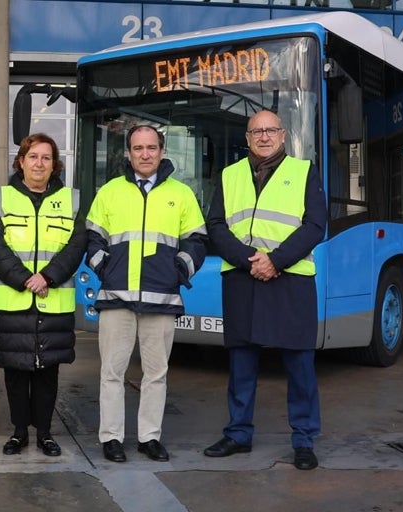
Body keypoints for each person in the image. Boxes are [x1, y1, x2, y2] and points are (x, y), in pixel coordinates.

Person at [202, 110, 327, 470]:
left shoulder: (305, 172)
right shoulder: (229, 175)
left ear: (283, 135)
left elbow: (314, 225)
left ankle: (304, 440)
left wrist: (276, 260)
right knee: (241, 363)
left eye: (271, 129)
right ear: (247, 138)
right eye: (257, 131)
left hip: (290, 281)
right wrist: (248, 259)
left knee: (300, 365)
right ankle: (238, 434)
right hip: (243, 279)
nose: (264, 136)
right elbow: (216, 224)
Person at [85, 125, 206, 463]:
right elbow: (93, 238)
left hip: (161, 299)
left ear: (162, 151)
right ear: (128, 153)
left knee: (156, 374)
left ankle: (149, 438)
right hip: (116, 298)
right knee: (111, 371)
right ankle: (111, 438)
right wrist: (105, 269)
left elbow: (196, 241)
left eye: (151, 147)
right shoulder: (109, 192)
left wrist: (178, 272)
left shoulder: (181, 194)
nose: (145, 154)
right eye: (138, 148)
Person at [0, 133, 87, 457]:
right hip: (12, 302)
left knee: (47, 372)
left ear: (54, 164)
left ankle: (44, 433)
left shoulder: (72, 200)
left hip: (53, 302)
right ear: (21, 161)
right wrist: (26, 279)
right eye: (33, 156)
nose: (39, 163)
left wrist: (49, 277)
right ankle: (18, 433)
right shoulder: (0, 198)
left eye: (46, 157)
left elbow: (76, 245)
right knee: (15, 372)